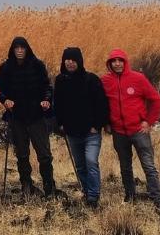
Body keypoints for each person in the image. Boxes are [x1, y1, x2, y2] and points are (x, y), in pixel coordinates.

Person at [102, 48, 160, 206]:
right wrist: (106, 123)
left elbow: (156, 100)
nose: (117, 64)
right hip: (119, 132)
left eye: (120, 60)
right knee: (125, 167)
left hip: (139, 131)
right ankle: (130, 197)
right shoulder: (105, 81)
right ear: (109, 64)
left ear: (125, 62)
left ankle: (157, 198)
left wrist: (148, 121)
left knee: (148, 165)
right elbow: (101, 104)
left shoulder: (138, 78)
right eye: (114, 61)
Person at [0, 36, 55, 198]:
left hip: (36, 115)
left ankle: (49, 187)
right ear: (13, 50)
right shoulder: (6, 67)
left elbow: (47, 86)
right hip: (17, 116)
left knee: (44, 154)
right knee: (21, 154)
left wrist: (47, 100)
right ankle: (26, 186)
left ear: (27, 49)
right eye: (17, 48)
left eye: (22, 48)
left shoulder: (37, 65)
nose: (20, 51)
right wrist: (5, 100)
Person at [53, 47, 109, 207]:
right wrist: (60, 124)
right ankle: (86, 191)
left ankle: (93, 196)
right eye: (67, 59)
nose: (70, 63)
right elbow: (58, 104)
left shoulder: (91, 79)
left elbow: (101, 104)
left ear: (79, 61)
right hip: (72, 132)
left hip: (91, 132)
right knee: (80, 165)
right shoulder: (60, 80)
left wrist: (97, 125)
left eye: (73, 60)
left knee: (91, 161)